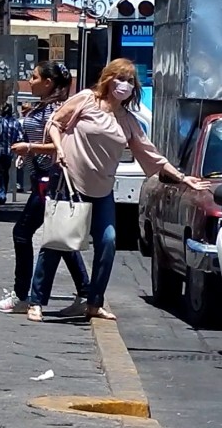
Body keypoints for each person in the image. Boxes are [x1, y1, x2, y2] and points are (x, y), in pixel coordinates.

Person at [28, 58, 210, 322]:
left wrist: (184, 178)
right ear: (108, 79)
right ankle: (36, 301)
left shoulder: (127, 120)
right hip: (70, 183)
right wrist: (58, 148)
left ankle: (94, 302)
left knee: (108, 242)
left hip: (102, 189)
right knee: (58, 241)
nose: (123, 85)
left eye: (129, 81)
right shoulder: (86, 100)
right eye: (119, 79)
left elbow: (151, 154)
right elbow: (55, 123)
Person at [0, 61, 90, 316]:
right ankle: (86, 294)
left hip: (50, 180)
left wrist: (30, 149)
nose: (30, 81)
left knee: (22, 233)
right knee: (60, 237)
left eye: (34, 77)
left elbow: (62, 147)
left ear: (48, 83)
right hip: (42, 178)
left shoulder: (57, 109)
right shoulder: (44, 107)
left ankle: (22, 295)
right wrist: (29, 154)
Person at [0, 103, 23, 205]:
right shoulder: (16, 123)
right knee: (5, 173)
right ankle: (3, 193)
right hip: (9, 152)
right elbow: (20, 138)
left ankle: (1, 194)